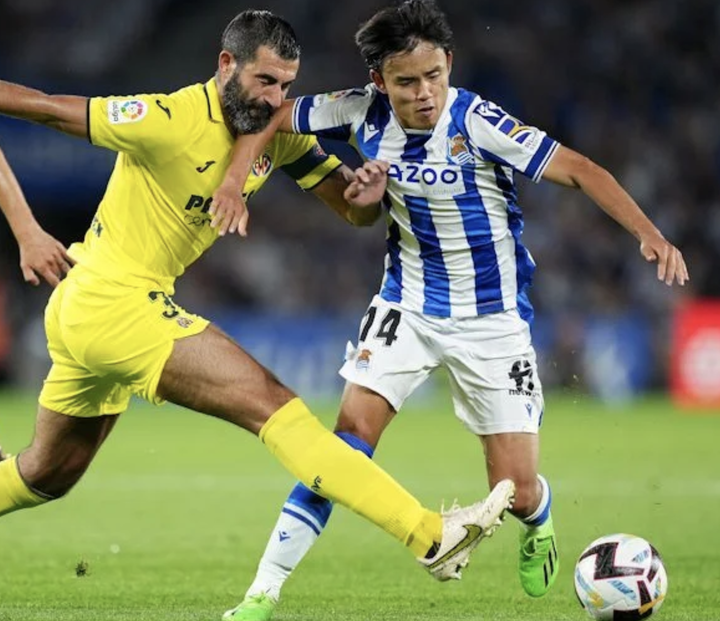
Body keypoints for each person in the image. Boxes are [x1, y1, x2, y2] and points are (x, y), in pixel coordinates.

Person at [0, 8, 517, 609]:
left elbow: (352, 212)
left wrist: (366, 197)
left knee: (47, 474)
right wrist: (27, 230)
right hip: (109, 300)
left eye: (286, 85)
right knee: (273, 405)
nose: (275, 98)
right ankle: (430, 535)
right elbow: (38, 106)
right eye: (264, 81)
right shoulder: (167, 118)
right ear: (226, 65)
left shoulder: (279, 134)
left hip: (101, 310)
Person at [219, 2, 689, 619]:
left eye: (434, 76)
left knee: (515, 492)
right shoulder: (357, 110)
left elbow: (579, 169)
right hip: (407, 306)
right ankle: (263, 591)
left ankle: (539, 514)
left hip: (492, 321)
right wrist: (234, 181)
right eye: (407, 82)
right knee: (342, 450)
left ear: (449, 65)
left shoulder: (477, 121)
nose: (424, 93)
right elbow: (273, 116)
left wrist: (648, 233)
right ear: (379, 80)